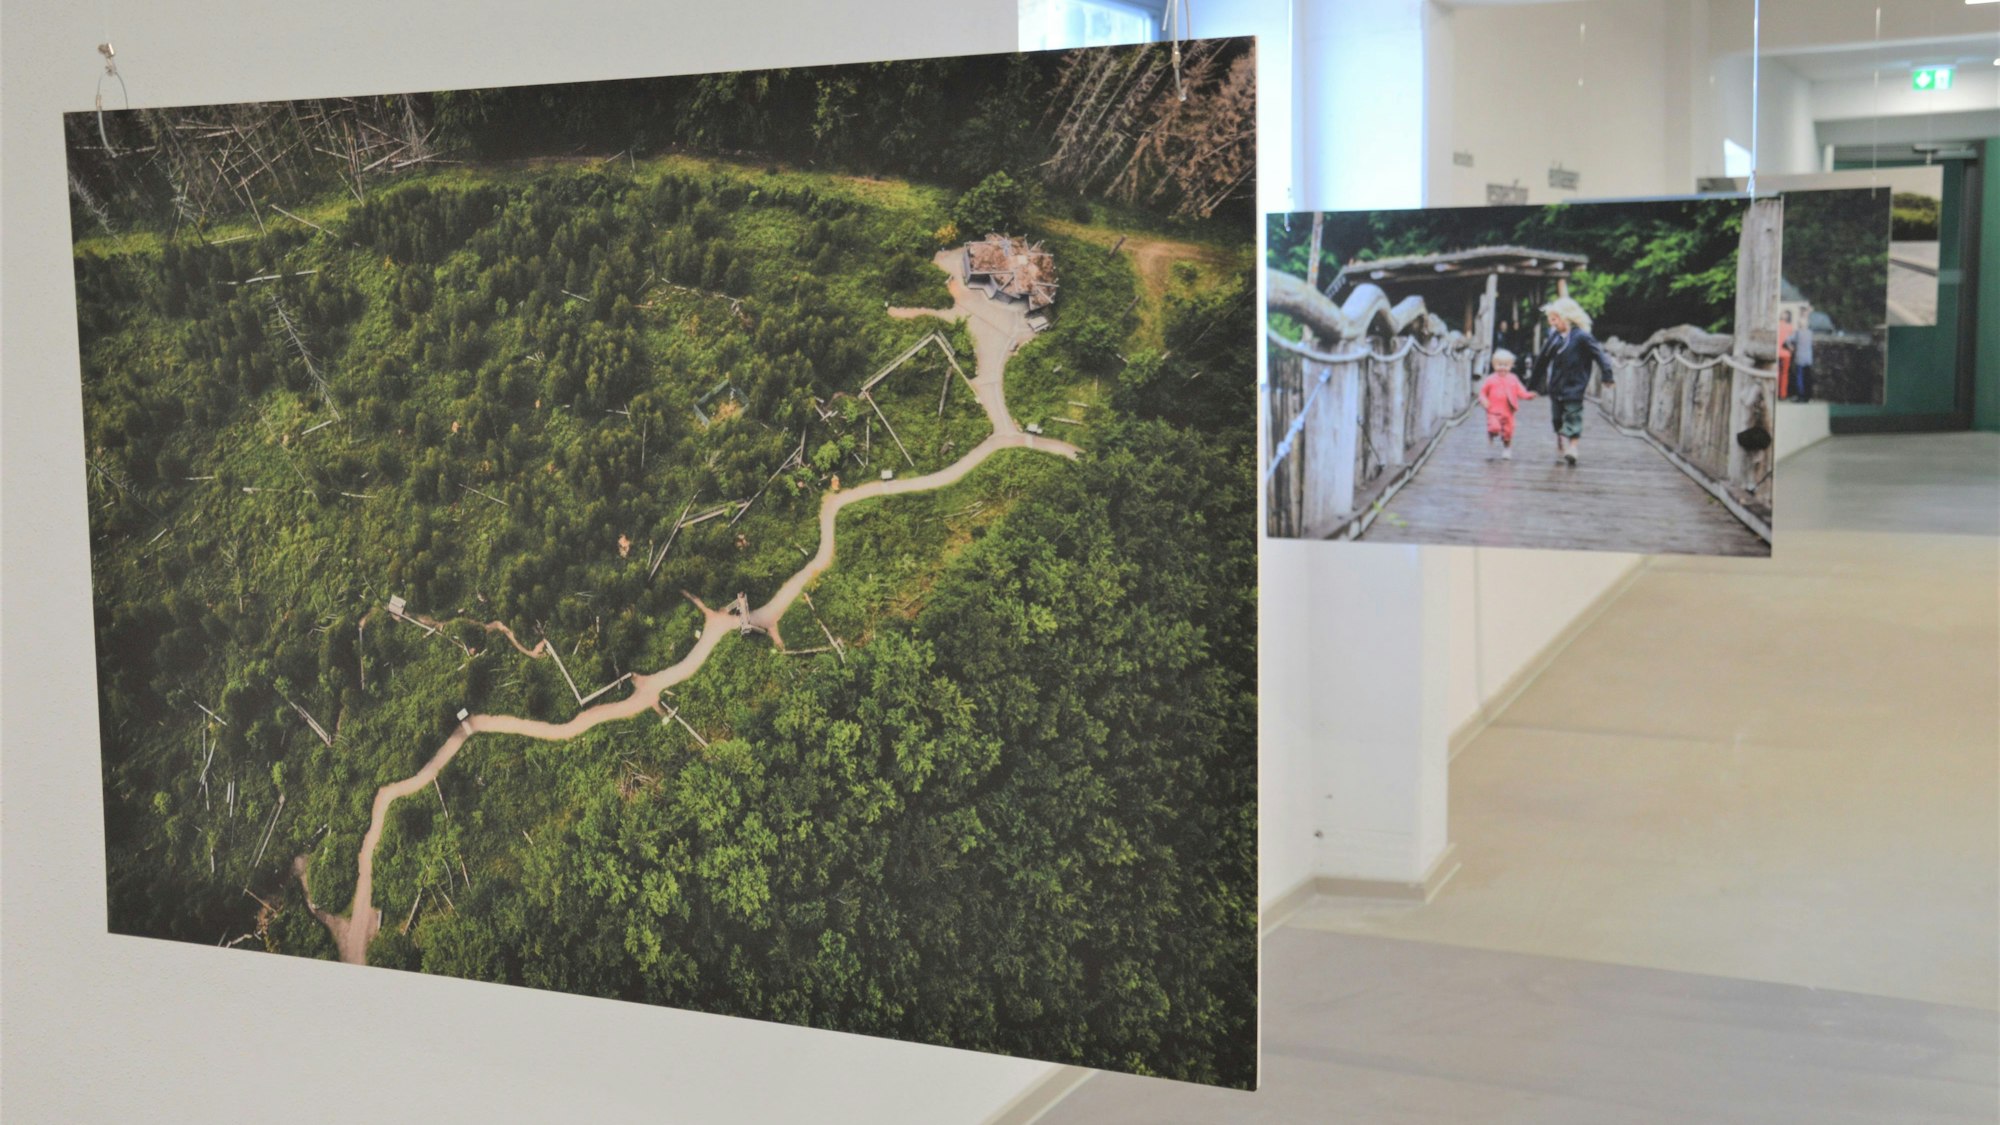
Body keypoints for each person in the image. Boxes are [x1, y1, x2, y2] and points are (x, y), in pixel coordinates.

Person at [1538, 296, 1616, 466]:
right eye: (1550, 320)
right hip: (1556, 385)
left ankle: (1573, 448)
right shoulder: (1554, 338)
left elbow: (1599, 355)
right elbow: (1542, 361)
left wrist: (1607, 375)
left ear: (1566, 317)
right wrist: (1532, 386)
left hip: (1575, 384)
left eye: (1554, 319)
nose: (1552, 323)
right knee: (1557, 418)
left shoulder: (1582, 336)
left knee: (1573, 415)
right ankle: (1561, 437)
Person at [1478, 349, 1536, 459]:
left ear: (1511, 366)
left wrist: (1528, 395)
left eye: (1506, 365)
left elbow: (1520, 391)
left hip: (1508, 410)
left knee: (1508, 432)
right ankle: (1491, 437)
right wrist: (1484, 400)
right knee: (1494, 427)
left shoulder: (1513, 379)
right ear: (1494, 365)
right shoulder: (1490, 379)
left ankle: (1507, 448)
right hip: (1493, 409)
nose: (1502, 368)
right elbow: (1482, 392)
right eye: (1499, 365)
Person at [1787, 307, 1816, 403]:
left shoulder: (1797, 333)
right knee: (1807, 377)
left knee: (1800, 378)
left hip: (1799, 357)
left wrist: (1791, 347)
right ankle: (1808, 396)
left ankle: (1801, 395)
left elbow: (1788, 340)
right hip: (1808, 358)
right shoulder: (1810, 333)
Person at [1776, 310, 1796, 400]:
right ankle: (1783, 394)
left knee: (1776, 373)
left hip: (1777, 353)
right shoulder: (1790, 327)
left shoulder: (1776, 326)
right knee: (1784, 374)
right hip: (1786, 354)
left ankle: (1775, 392)